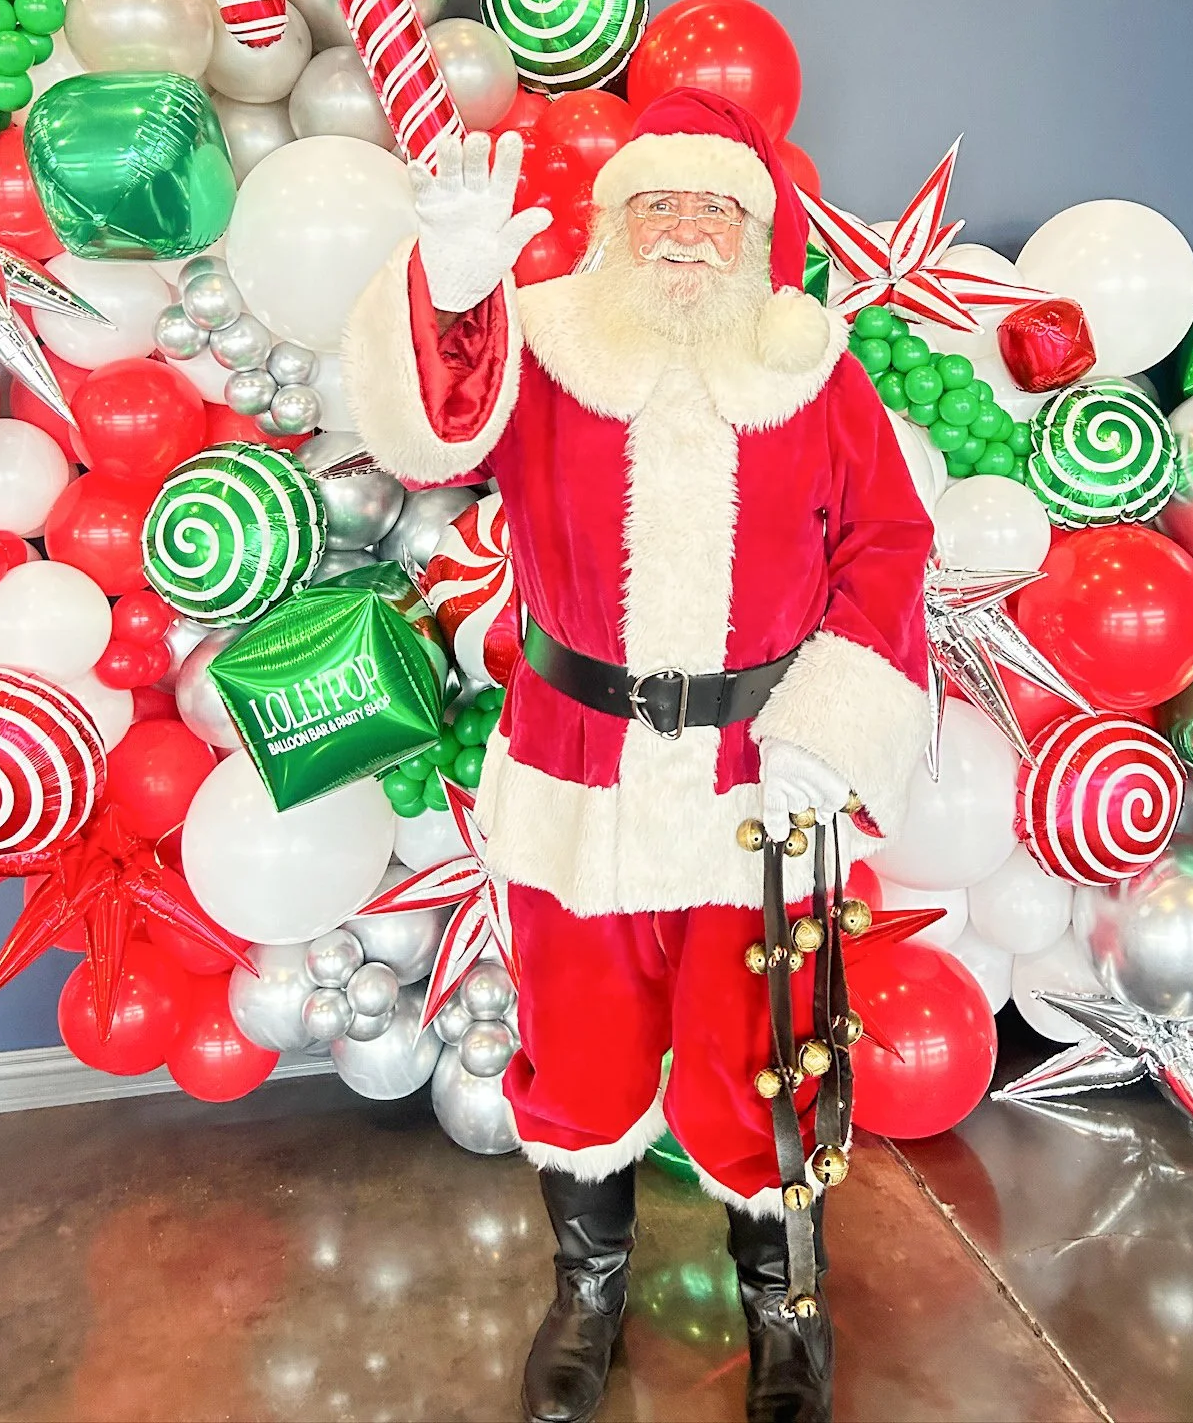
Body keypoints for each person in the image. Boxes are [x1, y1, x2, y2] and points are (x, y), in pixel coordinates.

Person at [344, 88, 932, 1423]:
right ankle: (588, 1291)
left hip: (758, 783)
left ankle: (786, 1310)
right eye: (659, 201)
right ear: (614, 220)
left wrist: (827, 731)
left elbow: (890, 551)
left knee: (762, 1054)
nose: (685, 229)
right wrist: (448, 290)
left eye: (716, 205)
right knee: (582, 1048)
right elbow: (431, 430)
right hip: (576, 768)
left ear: (757, 235)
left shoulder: (810, 363)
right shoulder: (543, 339)